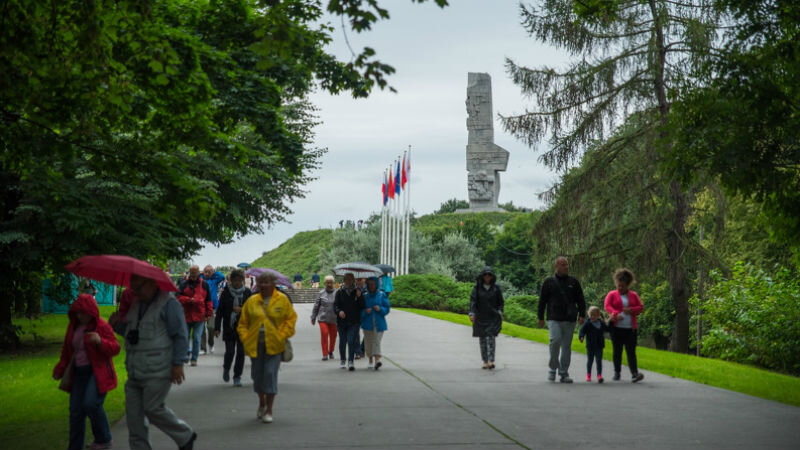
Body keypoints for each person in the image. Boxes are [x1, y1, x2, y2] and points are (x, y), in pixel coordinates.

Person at [108, 275, 196, 450]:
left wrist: (178, 363)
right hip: (135, 370)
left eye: (138, 287)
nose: (135, 291)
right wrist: (117, 325)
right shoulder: (136, 304)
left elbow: (180, 335)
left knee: (153, 408)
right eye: (133, 288)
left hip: (159, 369)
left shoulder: (169, 305)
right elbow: (134, 335)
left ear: (152, 283)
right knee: (134, 421)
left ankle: (184, 435)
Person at [53, 294, 120, 450]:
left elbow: (115, 348)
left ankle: (104, 438)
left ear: (91, 312)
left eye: (83, 312)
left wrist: (100, 342)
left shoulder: (101, 326)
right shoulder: (73, 327)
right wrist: (60, 369)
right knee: (76, 411)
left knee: (91, 403)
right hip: (78, 373)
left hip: (96, 373)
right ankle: (75, 446)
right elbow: (67, 351)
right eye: (77, 312)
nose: (80, 316)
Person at [237, 272, 297, 424]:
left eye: (266, 282)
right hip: (255, 344)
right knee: (257, 377)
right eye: (260, 282)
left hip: (275, 344)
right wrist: (245, 337)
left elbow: (291, 319)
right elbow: (243, 323)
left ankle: (269, 409)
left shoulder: (282, 300)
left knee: (270, 374)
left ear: (274, 284)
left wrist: (282, 335)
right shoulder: (251, 301)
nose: (263, 285)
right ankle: (261, 402)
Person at [537, 256, 586, 383]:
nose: (566, 267)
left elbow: (580, 299)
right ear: (556, 266)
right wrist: (540, 317)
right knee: (555, 341)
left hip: (569, 319)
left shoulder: (573, 282)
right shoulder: (549, 282)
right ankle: (553, 368)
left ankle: (564, 372)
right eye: (563, 265)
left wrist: (582, 315)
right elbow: (542, 301)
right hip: (553, 318)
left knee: (566, 347)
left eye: (567, 264)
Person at [604, 268, 645, 383]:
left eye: (622, 286)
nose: (620, 288)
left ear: (627, 285)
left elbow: (640, 307)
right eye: (618, 285)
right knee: (617, 351)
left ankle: (634, 373)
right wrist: (615, 314)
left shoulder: (633, 295)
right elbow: (607, 305)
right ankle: (617, 373)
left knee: (631, 351)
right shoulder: (612, 294)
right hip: (616, 328)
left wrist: (631, 310)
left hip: (630, 328)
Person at [215, 269, 252, 386]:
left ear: (242, 280)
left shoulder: (247, 293)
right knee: (230, 351)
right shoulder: (226, 293)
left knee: (241, 352)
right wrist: (217, 327)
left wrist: (241, 310)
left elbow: (252, 310)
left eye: (239, 280)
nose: (236, 283)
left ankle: (237, 376)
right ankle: (226, 368)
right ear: (231, 281)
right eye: (234, 280)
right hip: (229, 327)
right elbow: (220, 311)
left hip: (243, 327)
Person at [176, 266, 213, 366]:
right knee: (186, 337)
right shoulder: (184, 284)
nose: (193, 275)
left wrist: (209, 314)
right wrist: (189, 300)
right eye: (191, 272)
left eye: (194, 272)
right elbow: (178, 297)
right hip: (186, 315)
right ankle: (186, 354)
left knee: (197, 338)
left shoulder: (204, 285)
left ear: (198, 273)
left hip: (199, 316)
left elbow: (208, 300)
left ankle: (194, 359)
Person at [469, 267, 504, 370]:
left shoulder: (496, 288)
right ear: (482, 276)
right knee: (483, 339)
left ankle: (491, 360)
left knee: (491, 338)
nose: (487, 277)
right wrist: (472, 313)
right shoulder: (477, 288)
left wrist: (500, 311)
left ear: (492, 276)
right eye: (485, 275)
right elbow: (473, 301)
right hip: (480, 317)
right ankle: (484, 361)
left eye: (489, 275)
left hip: (492, 317)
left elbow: (500, 302)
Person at [334, 273, 365, 371]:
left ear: (353, 280)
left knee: (351, 341)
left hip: (354, 321)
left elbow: (362, 306)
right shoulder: (340, 292)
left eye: (351, 279)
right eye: (347, 279)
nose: (349, 281)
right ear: (344, 280)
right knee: (343, 341)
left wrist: (359, 297)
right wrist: (339, 312)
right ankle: (343, 360)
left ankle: (351, 361)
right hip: (342, 321)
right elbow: (335, 305)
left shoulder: (357, 291)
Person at [360, 277, 390, 370]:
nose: (371, 286)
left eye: (373, 284)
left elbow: (387, 308)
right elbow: (359, 310)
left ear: (376, 284)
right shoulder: (364, 296)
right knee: (368, 341)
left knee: (376, 340)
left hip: (379, 323)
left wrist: (380, 309)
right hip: (367, 323)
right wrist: (365, 311)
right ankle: (370, 360)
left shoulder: (382, 295)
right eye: (369, 284)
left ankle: (377, 360)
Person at [579, 306, 610, 383]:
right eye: (591, 315)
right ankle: (588, 374)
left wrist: (610, 321)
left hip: (599, 345)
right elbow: (582, 331)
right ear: (589, 314)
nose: (592, 317)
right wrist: (581, 337)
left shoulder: (601, 323)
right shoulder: (587, 323)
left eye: (594, 315)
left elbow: (608, 329)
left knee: (599, 361)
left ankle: (599, 375)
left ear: (598, 315)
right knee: (590, 361)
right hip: (590, 346)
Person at [311, 275, 338, 360]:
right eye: (327, 282)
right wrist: (313, 317)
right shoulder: (321, 293)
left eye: (331, 282)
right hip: (323, 318)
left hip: (334, 319)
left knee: (333, 336)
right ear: (324, 283)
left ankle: (331, 351)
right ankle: (325, 354)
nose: (329, 284)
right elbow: (316, 306)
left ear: (333, 283)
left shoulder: (337, 293)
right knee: (325, 333)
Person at [200, 265, 225, 355]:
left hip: (213, 307)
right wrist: (201, 273)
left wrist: (215, 272)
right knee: (201, 329)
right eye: (205, 272)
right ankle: (203, 348)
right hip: (201, 306)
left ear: (212, 272)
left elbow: (222, 277)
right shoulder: (201, 279)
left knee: (211, 327)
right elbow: (196, 276)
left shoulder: (214, 280)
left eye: (209, 272)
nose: (207, 273)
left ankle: (211, 343)